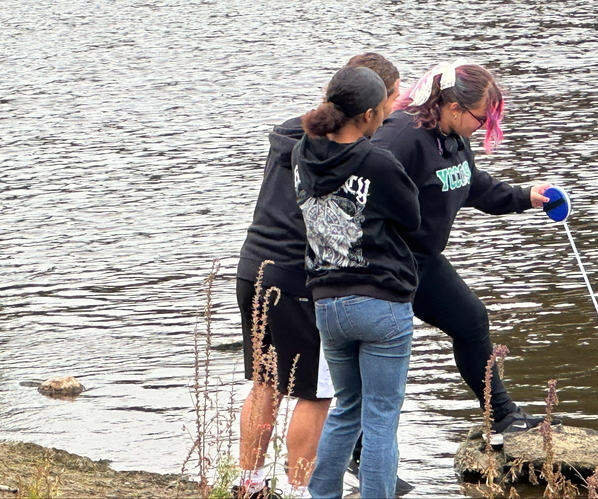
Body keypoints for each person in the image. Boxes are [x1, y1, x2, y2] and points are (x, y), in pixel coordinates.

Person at [235, 53, 400, 499]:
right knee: (316, 392)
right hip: (297, 277)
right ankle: (298, 489)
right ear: (371, 106)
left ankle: (248, 485)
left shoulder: (293, 129)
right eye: (393, 101)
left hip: (253, 266)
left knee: (266, 382)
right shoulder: (345, 150)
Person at [371, 60, 555, 445]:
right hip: (387, 261)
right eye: (482, 118)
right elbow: (360, 189)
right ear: (454, 107)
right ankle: (358, 446)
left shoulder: (452, 137)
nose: (485, 127)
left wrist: (526, 196)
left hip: (423, 259)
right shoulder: (401, 137)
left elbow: (475, 188)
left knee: (471, 321)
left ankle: (502, 416)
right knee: (381, 359)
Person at [293, 66, 421, 499]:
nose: (389, 114)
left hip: (327, 301)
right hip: (381, 301)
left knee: (346, 408)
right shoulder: (377, 160)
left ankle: (322, 496)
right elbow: (412, 219)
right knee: (382, 417)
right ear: (367, 114)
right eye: (385, 108)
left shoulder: (301, 155)